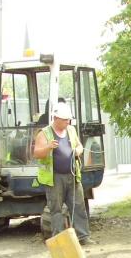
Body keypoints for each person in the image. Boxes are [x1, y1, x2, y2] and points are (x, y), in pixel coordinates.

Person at [33, 102, 93, 245]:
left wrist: (79, 150)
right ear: (56, 118)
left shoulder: (71, 130)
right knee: (56, 210)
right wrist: (48, 147)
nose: (68, 122)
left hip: (72, 175)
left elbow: (79, 145)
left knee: (78, 207)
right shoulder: (44, 133)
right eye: (65, 119)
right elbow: (36, 153)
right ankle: (59, 239)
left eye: (68, 119)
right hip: (54, 178)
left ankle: (83, 237)